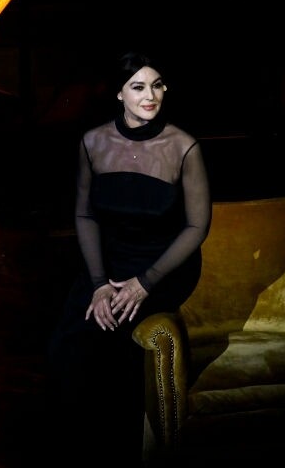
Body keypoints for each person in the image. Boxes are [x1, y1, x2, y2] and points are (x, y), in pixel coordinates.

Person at [46, 51, 212, 465]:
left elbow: (196, 227)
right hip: (111, 262)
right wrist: (99, 283)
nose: (150, 96)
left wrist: (145, 282)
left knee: (119, 347)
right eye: (138, 87)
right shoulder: (93, 142)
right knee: (69, 345)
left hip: (164, 264)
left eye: (157, 85)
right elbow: (84, 214)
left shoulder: (184, 146)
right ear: (119, 94)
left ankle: (129, 452)